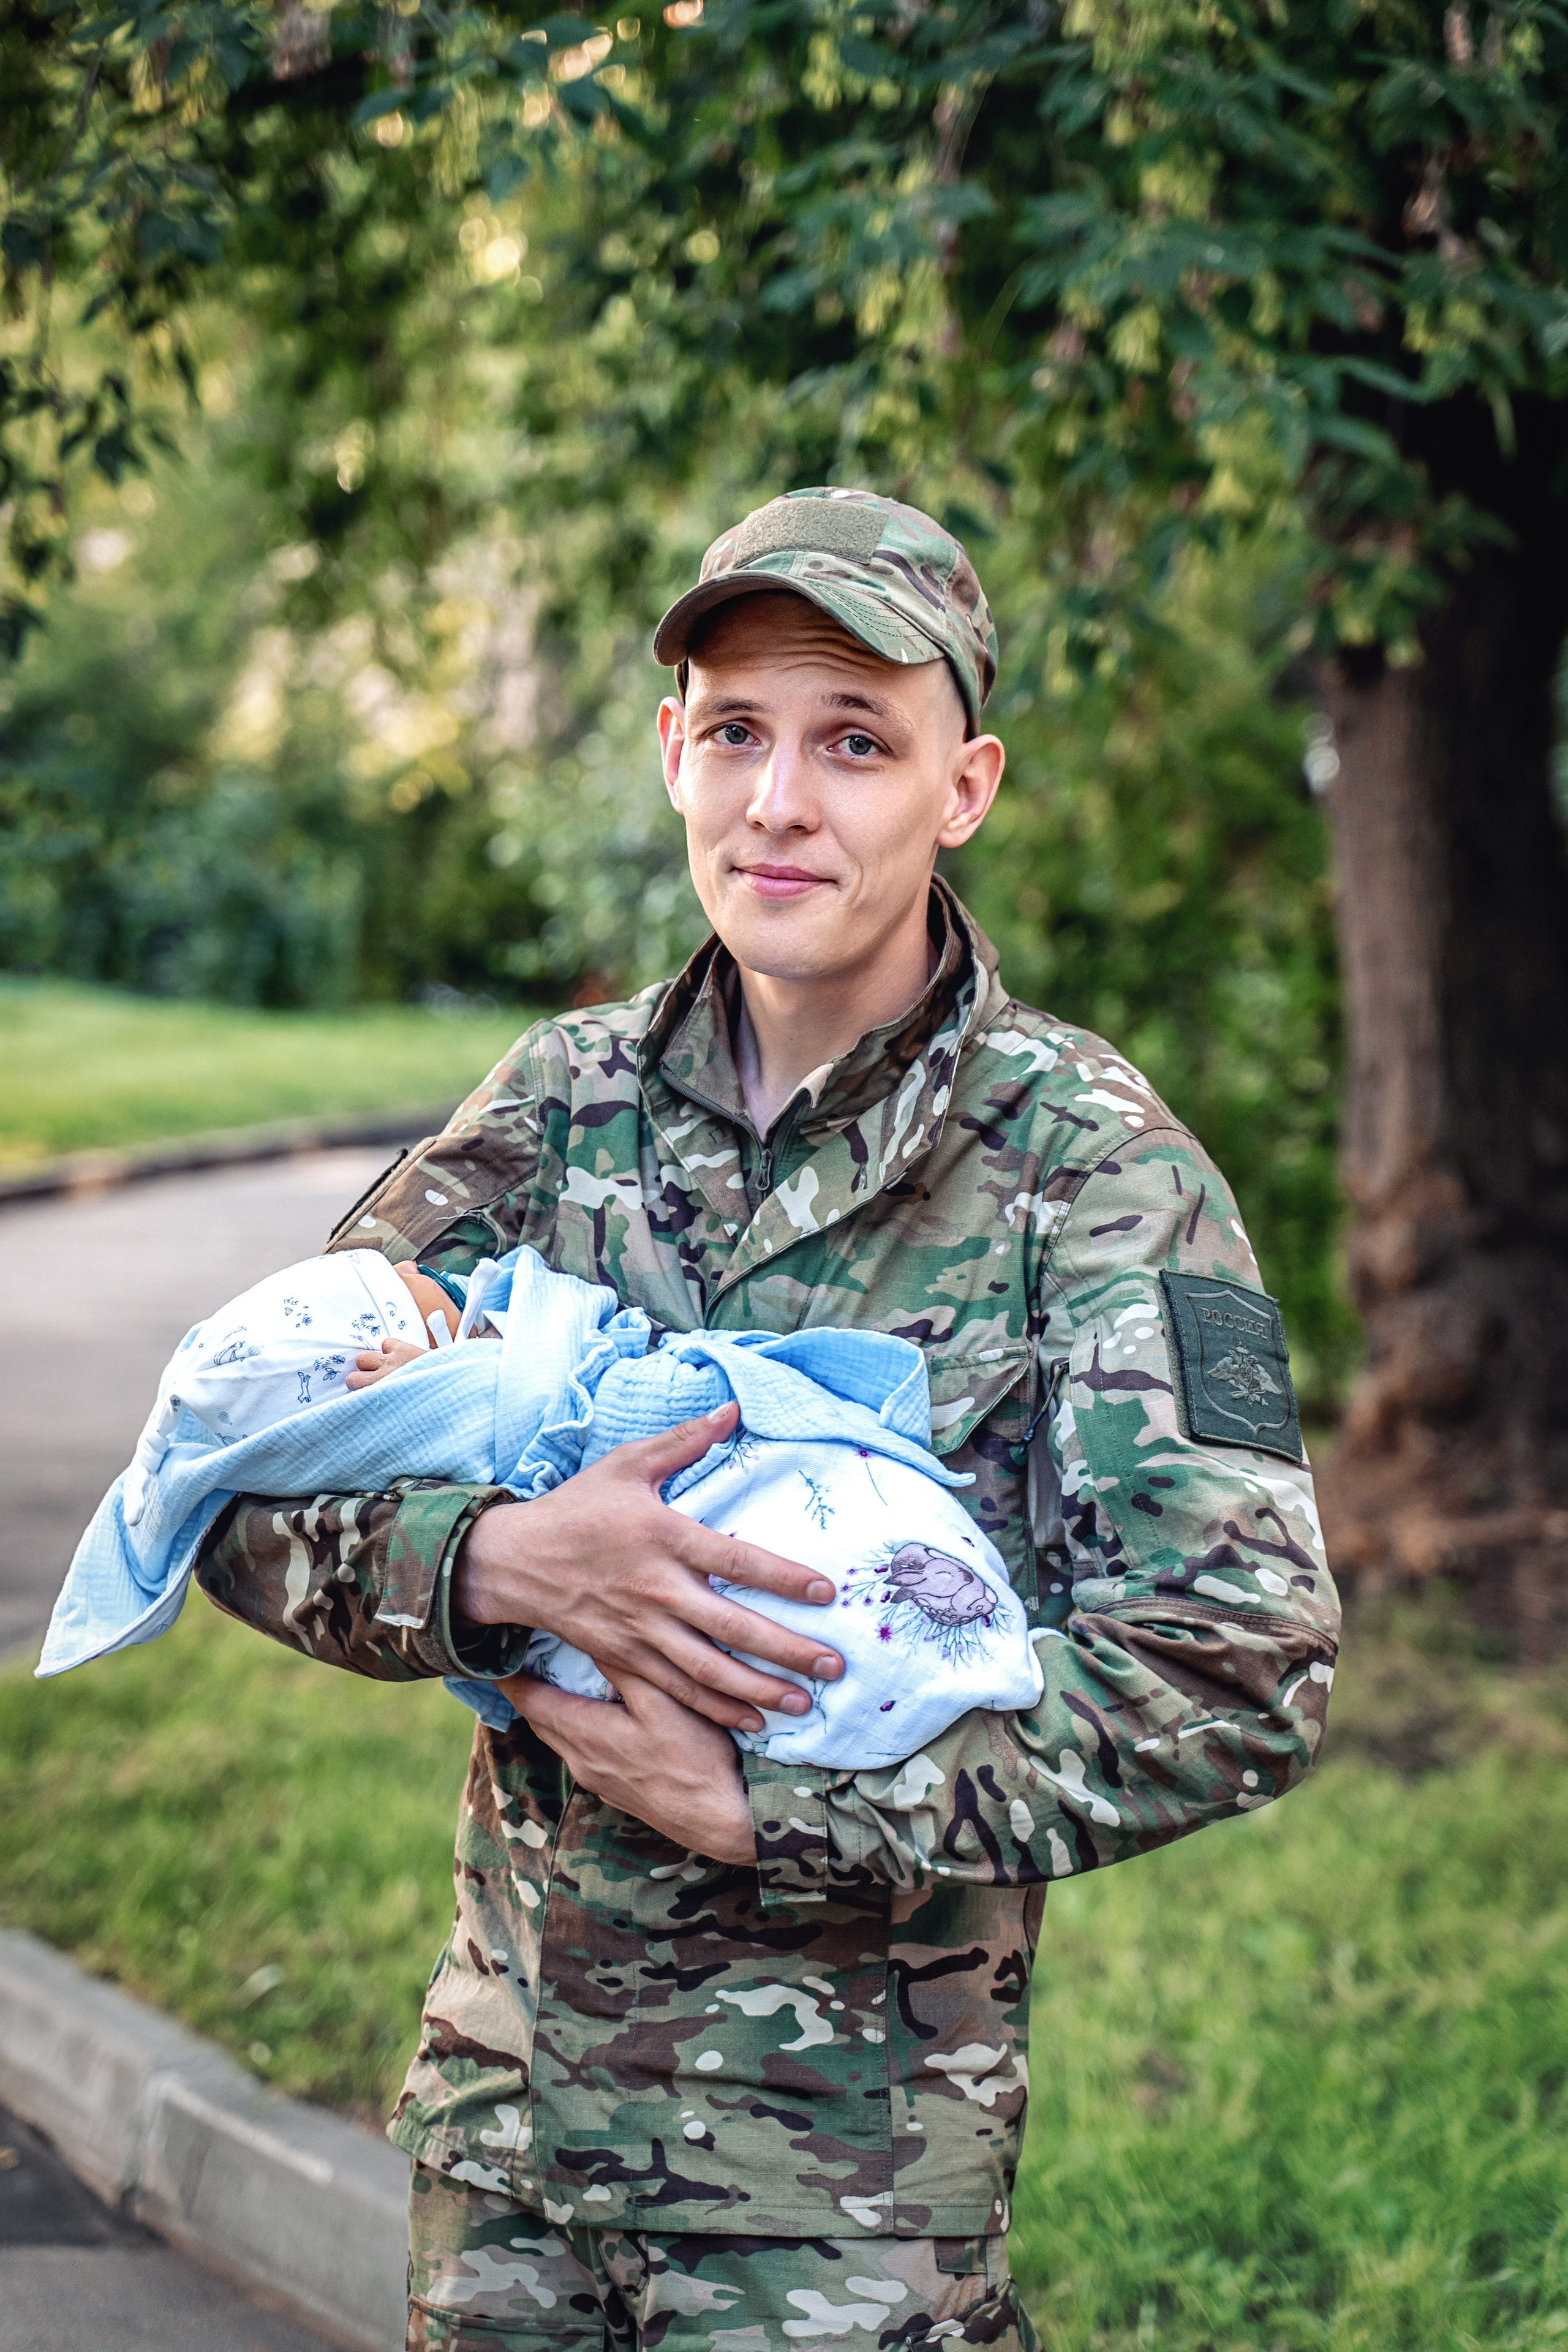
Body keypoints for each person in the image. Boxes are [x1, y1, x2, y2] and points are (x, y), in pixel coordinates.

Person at [195, 488, 1340, 2352]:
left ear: (962, 785)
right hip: (507, 2150)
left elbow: (1242, 1664)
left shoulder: (1096, 1177)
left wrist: (784, 1807)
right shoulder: (548, 1113)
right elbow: (238, 1466)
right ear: (671, 754)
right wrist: (485, 1561)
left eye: (856, 744)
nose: (780, 802)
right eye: (736, 730)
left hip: (844, 2206)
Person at [42, 1239, 1045, 1769]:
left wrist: (767, 1820)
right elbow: (248, 1524)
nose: (422, 1269)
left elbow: (1196, 1652)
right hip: (521, 2058)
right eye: (406, 1290)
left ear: (956, 826)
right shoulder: (551, 1093)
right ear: (394, 1365)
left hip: (887, 2108)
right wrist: (490, 1558)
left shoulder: (1099, 1156)